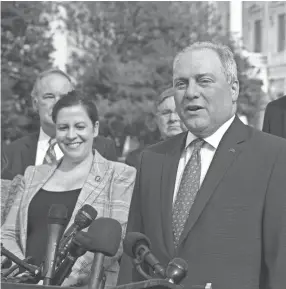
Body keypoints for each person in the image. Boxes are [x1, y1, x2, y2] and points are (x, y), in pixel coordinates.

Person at [118, 42, 286, 289]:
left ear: (234, 88)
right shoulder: (153, 159)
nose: (190, 93)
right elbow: (134, 253)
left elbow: (280, 263)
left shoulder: (273, 155)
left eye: (204, 81)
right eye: (181, 83)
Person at [1, 90, 136, 287]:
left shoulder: (120, 175)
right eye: (63, 127)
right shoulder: (32, 175)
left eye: (80, 126)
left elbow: (115, 244)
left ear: (95, 128)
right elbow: (8, 235)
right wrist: (24, 275)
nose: (71, 135)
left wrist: (60, 280)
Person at [1, 68, 117, 180]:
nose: (57, 103)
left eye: (64, 97)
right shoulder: (11, 153)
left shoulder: (103, 149)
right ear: (35, 104)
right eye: (49, 96)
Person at [125, 87, 183, 168]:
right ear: (157, 119)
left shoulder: (203, 155)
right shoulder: (139, 159)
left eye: (179, 112)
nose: (172, 118)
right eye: (166, 113)